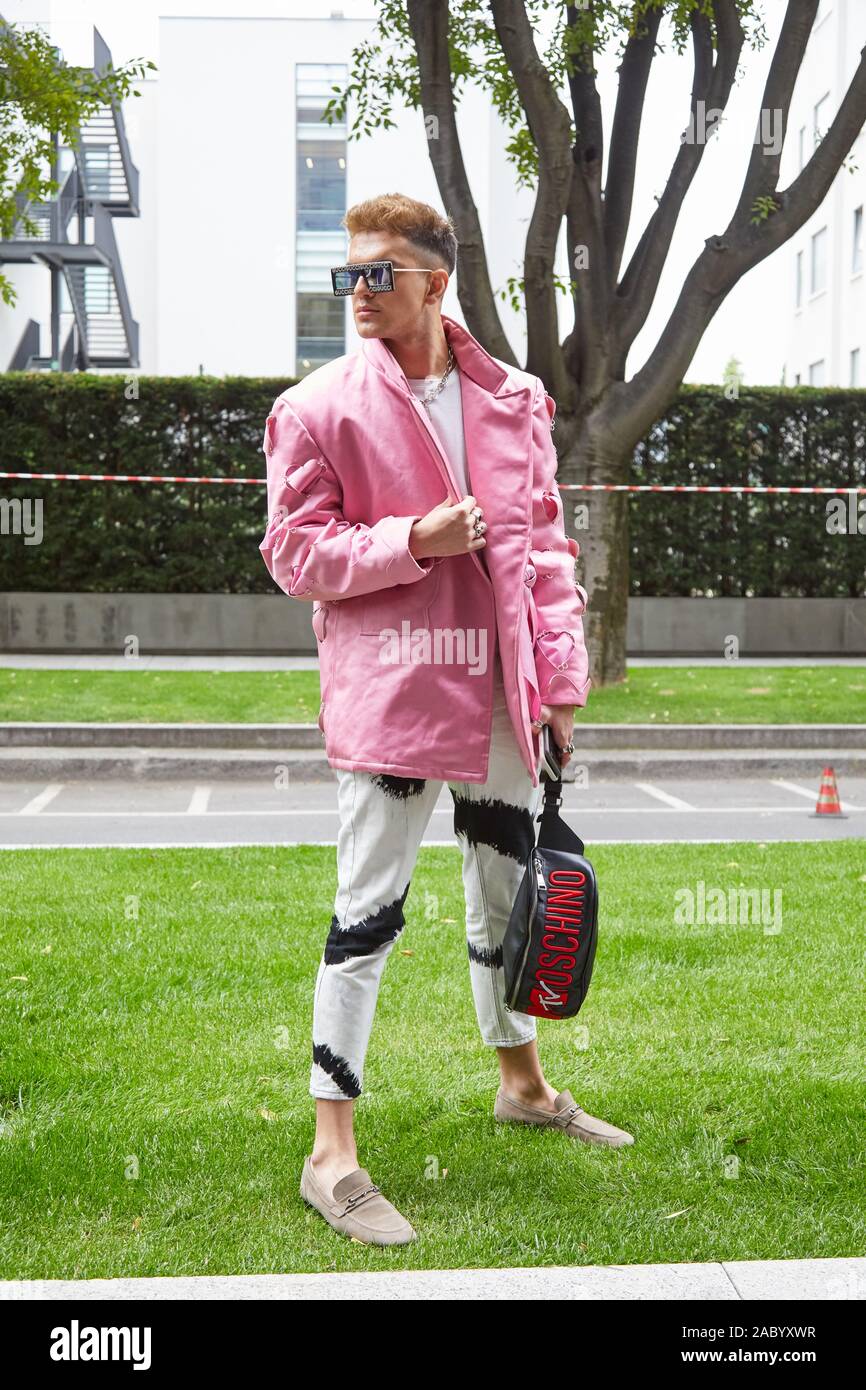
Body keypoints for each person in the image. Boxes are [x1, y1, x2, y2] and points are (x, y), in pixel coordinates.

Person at [259, 192, 633, 1247]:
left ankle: (520, 1083)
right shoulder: (318, 407)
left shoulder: (513, 399)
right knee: (366, 912)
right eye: (348, 274)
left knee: (505, 892)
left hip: (503, 700)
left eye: (378, 272)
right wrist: (408, 541)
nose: (358, 292)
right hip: (394, 697)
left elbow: (547, 554)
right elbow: (294, 555)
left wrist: (558, 686)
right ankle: (329, 1154)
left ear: (435, 280)